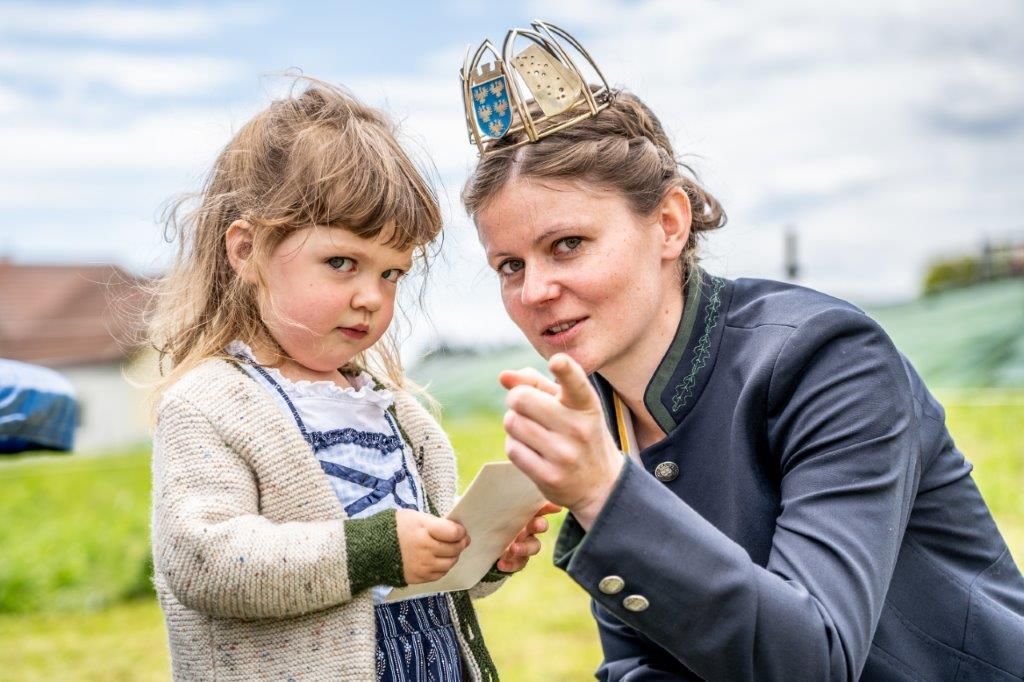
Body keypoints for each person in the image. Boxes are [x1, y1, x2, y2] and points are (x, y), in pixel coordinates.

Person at [461, 27, 1024, 681]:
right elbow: (654, 663)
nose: (534, 291)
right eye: (508, 265)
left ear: (668, 223)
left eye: (567, 244)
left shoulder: (829, 361)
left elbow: (814, 660)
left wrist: (604, 494)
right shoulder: (604, 418)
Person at [148, 79, 553, 682]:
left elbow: (424, 571)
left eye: (392, 272)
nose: (371, 297)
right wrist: (374, 549)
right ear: (247, 249)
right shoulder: (210, 405)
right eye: (342, 263)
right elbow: (206, 561)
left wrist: (484, 553)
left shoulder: (401, 416)